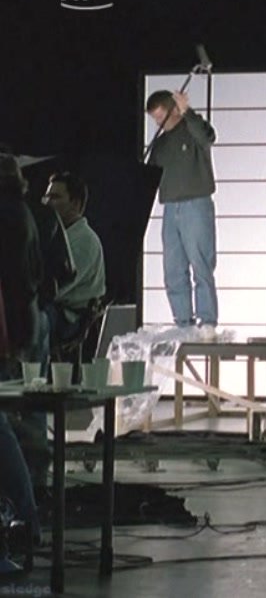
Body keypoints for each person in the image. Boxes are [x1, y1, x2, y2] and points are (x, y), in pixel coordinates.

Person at [145, 90, 218, 340]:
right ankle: (183, 323)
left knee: (201, 264)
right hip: (170, 208)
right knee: (173, 269)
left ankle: (207, 321)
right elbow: (150, 175)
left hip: (196, 204)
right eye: (154, 119)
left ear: (174, 110)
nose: (158, 123)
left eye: (161, 117)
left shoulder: (192, 129)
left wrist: (188, 111)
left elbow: (208, 137)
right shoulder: (160, 143)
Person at [0, 155, 42, 572]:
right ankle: (26, 521)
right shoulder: (22, 213)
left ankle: (23, 522)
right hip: (20, 323)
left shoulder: (6, 216)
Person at [37, 172, 106, 366]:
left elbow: (59, 287)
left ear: (75, 204)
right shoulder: (57, 234)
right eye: (46, 197)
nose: (48, 202)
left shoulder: (85, 240)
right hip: (52, 305)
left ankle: (34, 375)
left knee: (34, 321)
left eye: (55, 197)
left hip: (69, 316)